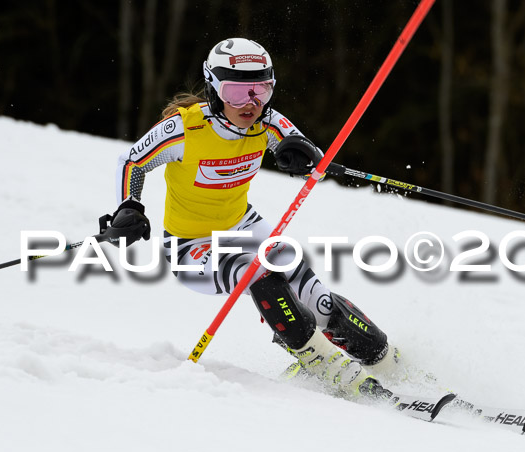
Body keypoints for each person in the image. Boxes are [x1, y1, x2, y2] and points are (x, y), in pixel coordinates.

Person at [99, 38, 400, 398]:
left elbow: (311, 157)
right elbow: (132, 161)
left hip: (244, 226)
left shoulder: (267, 122)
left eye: (261, 89)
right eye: (237, 91)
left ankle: (386, 361)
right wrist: (129, 207)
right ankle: (318, 362)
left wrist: (306, 158)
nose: (251, 103)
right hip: (190, 246)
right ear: (213, 87)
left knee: (316, 298)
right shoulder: (185, 129)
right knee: (257, 273)